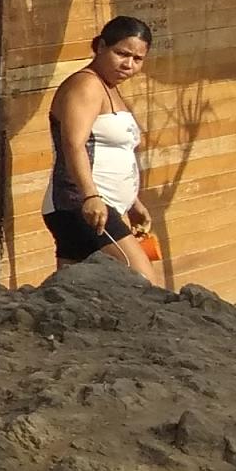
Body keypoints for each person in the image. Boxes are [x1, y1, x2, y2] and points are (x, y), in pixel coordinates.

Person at [45, 15, 167, 281]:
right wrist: (90, 196)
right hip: (81, 204)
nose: (128, 65)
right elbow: (74, 144)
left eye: (137, 59)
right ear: (100, 46)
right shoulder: (86, 84)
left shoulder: (110, 88)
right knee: (142, 282)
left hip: (101, 205)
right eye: (121, 53)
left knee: (74, 289)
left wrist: (133, 202)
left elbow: (112, 151)